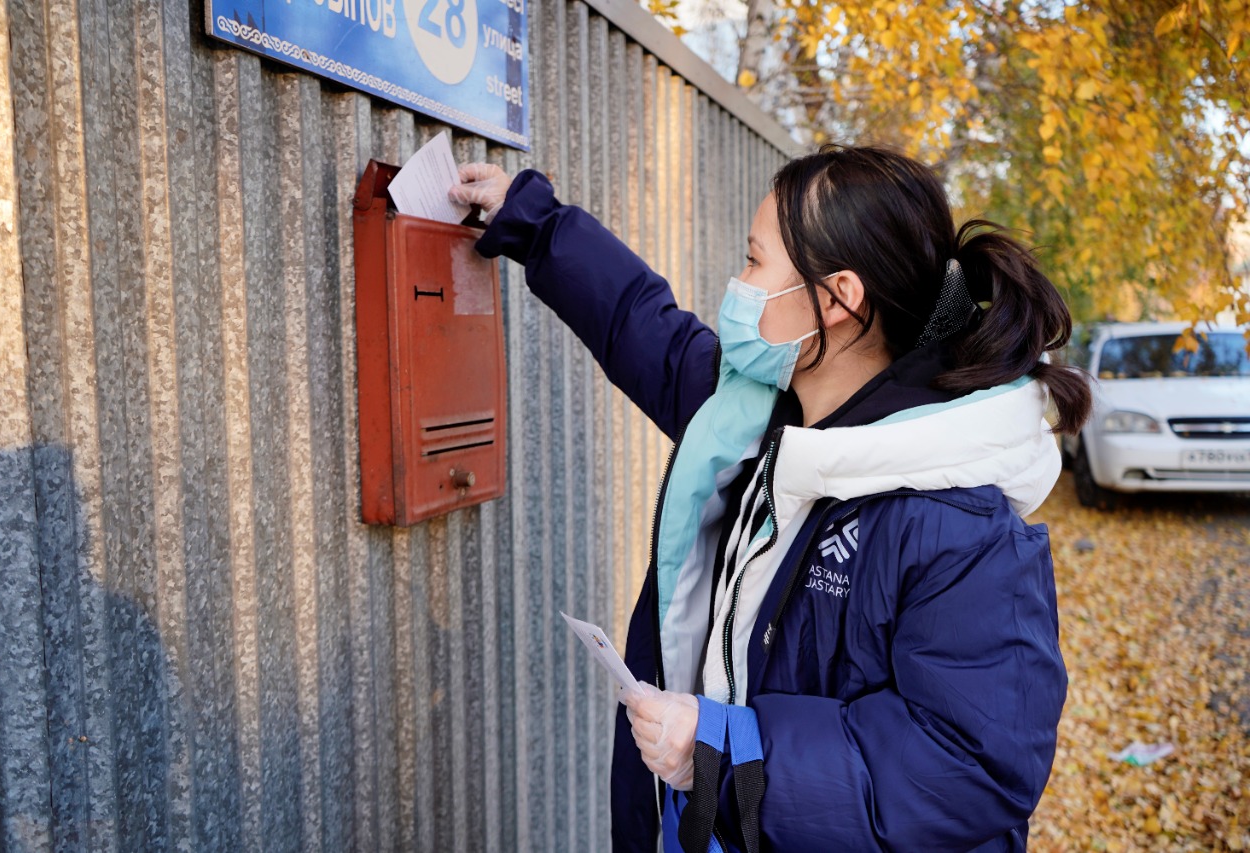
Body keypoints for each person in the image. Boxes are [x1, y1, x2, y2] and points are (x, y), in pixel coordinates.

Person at [449, 145, 1090, 852]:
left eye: (755, 263)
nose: (738, 286)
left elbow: (971, 766)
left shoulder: (959, 524)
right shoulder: (764, 419)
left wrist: (723, 751)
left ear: (839, 298)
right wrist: (532, 221)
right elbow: (645, 326)